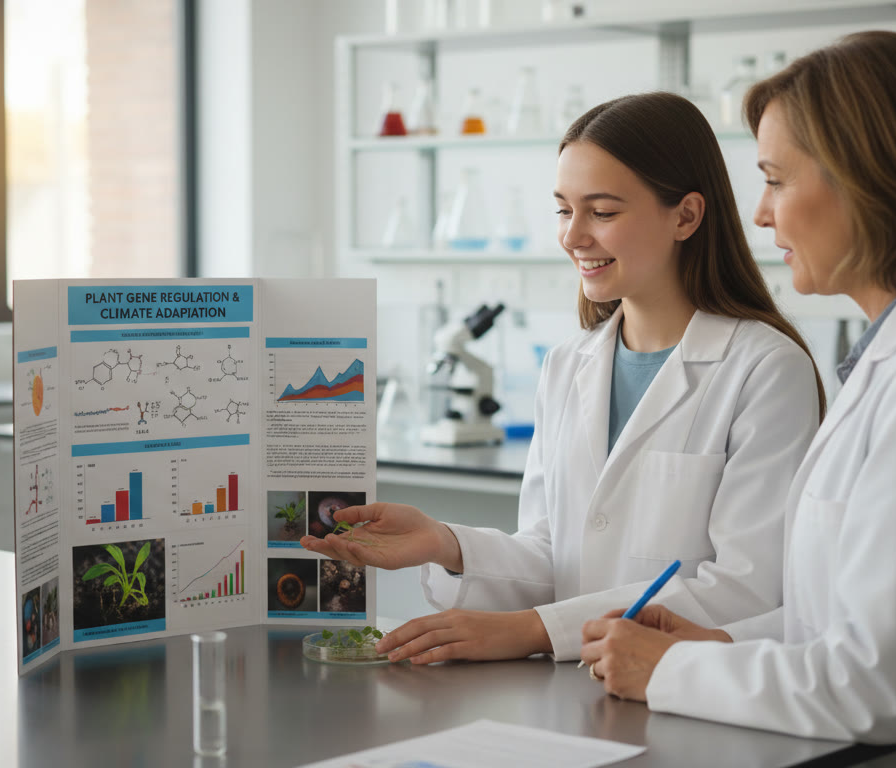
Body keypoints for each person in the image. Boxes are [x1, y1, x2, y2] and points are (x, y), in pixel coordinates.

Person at [579, 31, 896, 767]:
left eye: (775, 180)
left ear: (867, 181)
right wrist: (718, 644)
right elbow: (846, 622)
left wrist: (669, 671)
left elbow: (881, 685)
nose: (761, 214)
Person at [302, 91, 824, 665]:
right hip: (576, 690)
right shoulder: (567, 364)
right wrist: (445, 544)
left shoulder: (765, 370)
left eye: (602, 212)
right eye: (563, 210)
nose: (573, 236)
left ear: (686, 216)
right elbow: (555, 556)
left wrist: (534, 631)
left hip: (687, 691)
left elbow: (745, 591)